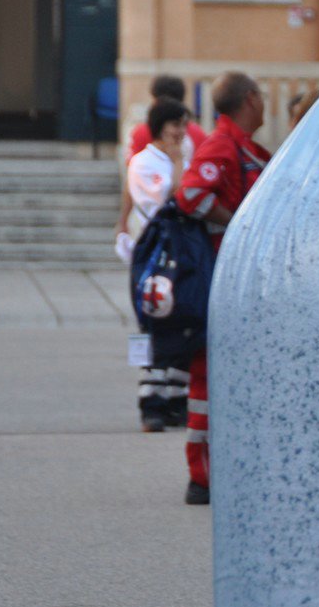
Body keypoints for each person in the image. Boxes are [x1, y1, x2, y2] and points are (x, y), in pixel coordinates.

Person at [174, 72, 272, 505]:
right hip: (219, 281)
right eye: (261, 97)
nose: (265, 103)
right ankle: (202, 476)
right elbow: (191, 196)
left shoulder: (246, 147)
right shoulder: (221, 144)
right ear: (249, 99)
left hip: (240, 282)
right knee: (207, 378)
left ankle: (230, 466)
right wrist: (238, 225)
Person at [128, 99, 191, 433]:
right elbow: (175, 199)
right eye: (174, 125)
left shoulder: (175, 158)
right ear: (159, 126)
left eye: (183, 125)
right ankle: (151, 403)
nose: (180, 133)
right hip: (155, 256)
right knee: (155, 323)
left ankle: (175, 400)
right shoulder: (145, 163)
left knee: (182, 321)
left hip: (181, 253)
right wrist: (180, 163)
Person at [114, 75, 206, 243]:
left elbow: (130, 181)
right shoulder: (197, 133)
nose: (181, 132)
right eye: (177, 125)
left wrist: (123, 219)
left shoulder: (142, 131)